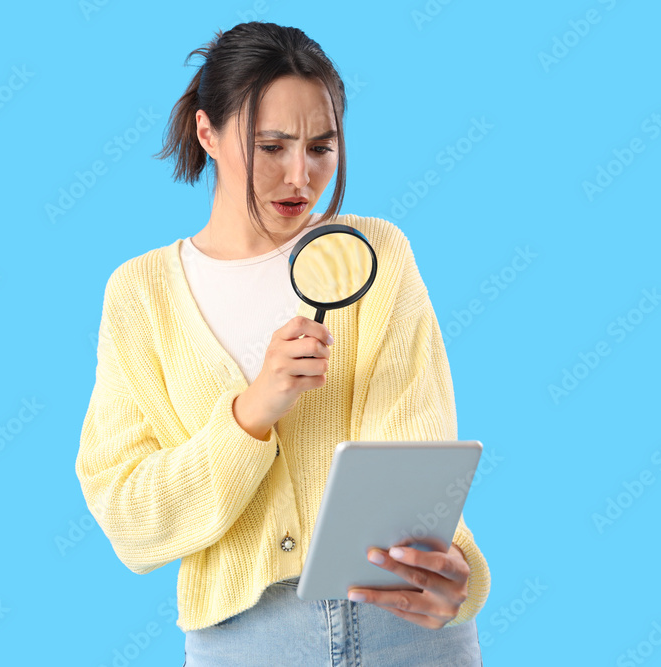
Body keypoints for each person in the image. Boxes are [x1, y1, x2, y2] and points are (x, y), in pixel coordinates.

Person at [74, 21, 490, 666]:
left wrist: (449, 572)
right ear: (207, 132)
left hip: (404, 631)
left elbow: (418, 454)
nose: (301, 176)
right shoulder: (141, 295)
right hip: (246, 642)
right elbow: (129, 519)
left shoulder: (378, 254)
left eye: (322, 147)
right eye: (271, 147)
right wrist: (249, 416)